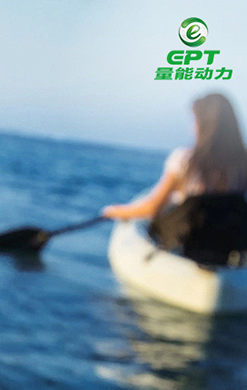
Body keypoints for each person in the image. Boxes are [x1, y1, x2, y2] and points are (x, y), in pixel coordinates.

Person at [102, 93, 247, 263]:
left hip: (188, 246)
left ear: (203, 124)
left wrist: (115, 212)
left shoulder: (185, 162)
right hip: (227, 246)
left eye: (195, 120)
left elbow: (152, 208)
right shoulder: (242, 165)